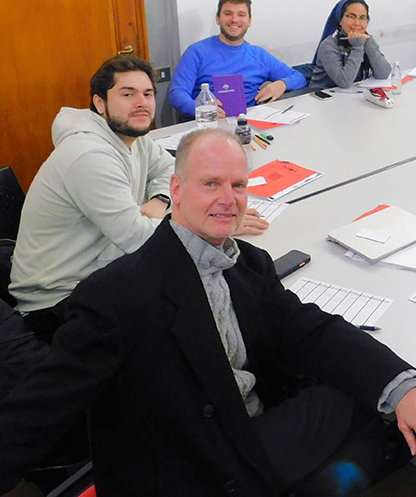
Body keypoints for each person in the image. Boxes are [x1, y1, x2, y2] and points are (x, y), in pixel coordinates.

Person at [0, 129, 416, 497]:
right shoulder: (117, 294)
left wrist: (401, 384)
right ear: (176, 190)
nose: (228, 199)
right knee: (365, 417)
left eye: (238, 185)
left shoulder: (247, 263)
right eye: (211, 183)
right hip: (193, 469)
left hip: (246, 428)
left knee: (364, 393)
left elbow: (309, 329)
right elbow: (42, 403)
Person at [10, 55, 268, 342]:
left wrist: (158, 201)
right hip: (57, 301)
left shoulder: (133, 137)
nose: (141, 103)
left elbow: (169, 169)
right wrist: (210, 224)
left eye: (147, 94)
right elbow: (138, 238)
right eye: (127, 94)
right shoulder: (88, 156)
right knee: (192, 319)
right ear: (100, 103)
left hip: (102, 268)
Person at [169, 0, 307, 118]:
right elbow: (177, 93)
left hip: (250, 125)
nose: (234, 20)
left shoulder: (258, 55)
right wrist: (201, 109)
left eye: (241, 15)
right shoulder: (196, 52)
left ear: (249, 21)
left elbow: (298, 77)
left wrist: (282, 84)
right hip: (208, 125)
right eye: (228, 14)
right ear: (218, 19)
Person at [310, 0, 391, 88]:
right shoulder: (329, 44)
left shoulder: (365, 39)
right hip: (324, 97)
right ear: (340, 19)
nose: (357, 23)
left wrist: (368, 44)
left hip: (354, 94)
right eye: (351, 17)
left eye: (362, 18)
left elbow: (383, 74)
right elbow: (344, 82)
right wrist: (357, 47)